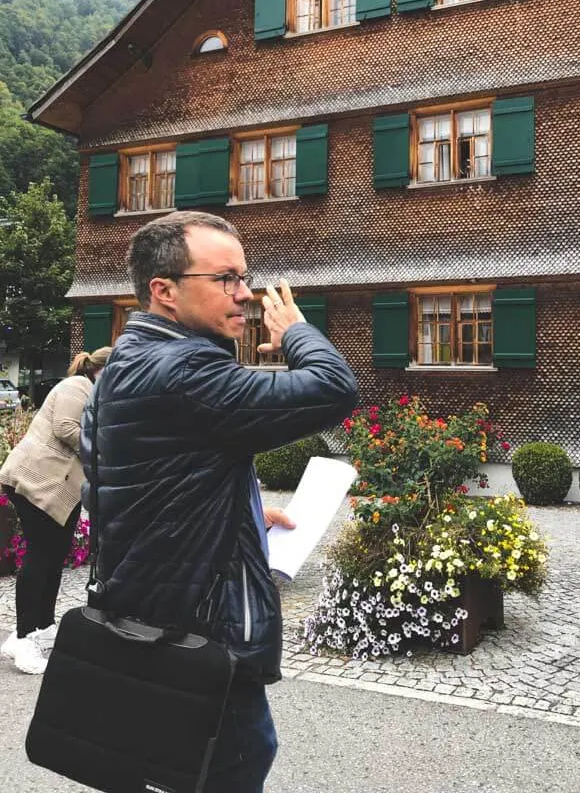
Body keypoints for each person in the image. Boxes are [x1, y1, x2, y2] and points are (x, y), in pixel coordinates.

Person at [79, 210, 358, 793]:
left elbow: (149, 476)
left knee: (176, 764)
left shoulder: (126, 361)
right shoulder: (184, 367)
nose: (247, 294)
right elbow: (333, 389)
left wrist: (245, 509)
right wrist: (297, 332)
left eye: (246, 276)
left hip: (144, 609)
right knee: (232, 762)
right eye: (226, 278)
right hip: (196, 629)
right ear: (165, 291)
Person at [0, 346, 112, 674]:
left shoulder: (94, 394)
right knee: (41, 555)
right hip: (36, 481)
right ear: (101, 369)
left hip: (57, 488)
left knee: (54, 556)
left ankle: (42, 632)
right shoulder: (76, 387)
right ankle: (24, 637)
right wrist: (106, 450)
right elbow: (66, 428)